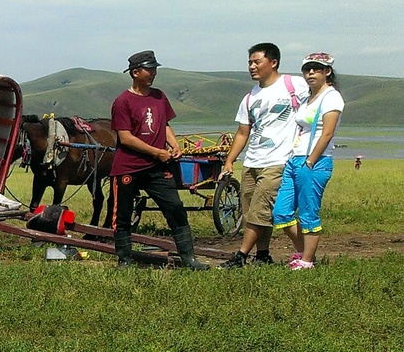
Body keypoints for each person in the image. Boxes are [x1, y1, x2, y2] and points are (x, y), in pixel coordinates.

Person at [107, 50, 206, 269]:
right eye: (149, 69)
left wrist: (174, 144)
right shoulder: (122, 101)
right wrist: (156, 151)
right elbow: (125, 137)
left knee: (175, 207)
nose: (153, 73)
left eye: (154, 69)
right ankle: (124, 260)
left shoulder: (159, 96)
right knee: (122, 215)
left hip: (157, 167)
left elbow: (165, 124)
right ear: (135, 72)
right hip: (129, 167)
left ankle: (189, 259)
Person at [219, 43, 308, 268]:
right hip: (252, 161)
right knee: (251, 212)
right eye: (249, 62)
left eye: (257, 61)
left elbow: (319, 102)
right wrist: (230, 160)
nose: (252, 66)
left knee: (260, 209)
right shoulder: (250, 97)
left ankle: (240, 256)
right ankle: (263, 254)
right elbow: (242, 132)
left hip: (279, 160)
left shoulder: (294, 85)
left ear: (273, 62)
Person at [274, 53, 343, 270]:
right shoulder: (307, 98)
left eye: (316, 68)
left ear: (327, 71)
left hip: (316, 160)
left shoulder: (331, 97)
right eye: (307, 69)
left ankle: (306, 261)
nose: (311, 73)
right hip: (295, 159)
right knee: (281, 212)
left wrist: (311, 160)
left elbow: (327, 133)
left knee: (308, 212)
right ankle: (304, 251)